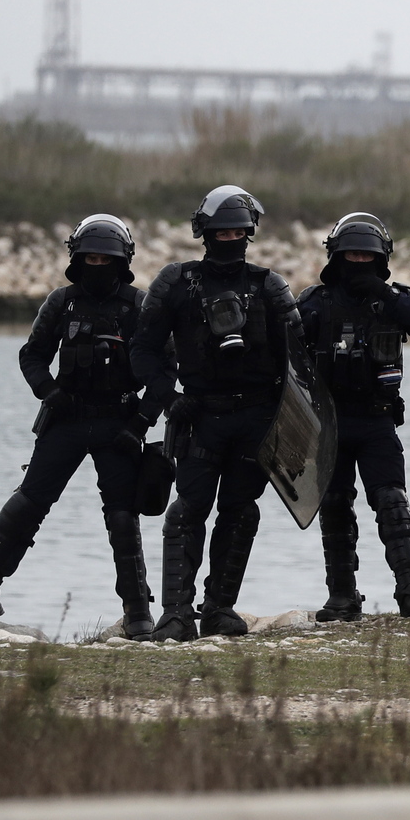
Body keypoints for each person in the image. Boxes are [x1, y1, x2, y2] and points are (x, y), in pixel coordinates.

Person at [0, 215, 169, 638]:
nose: (97, 265)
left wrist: (141, 422)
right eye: (91, 258)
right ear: (77, 259)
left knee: (122, 516)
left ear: (122, 262)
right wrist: (49, 392)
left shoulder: (139, 307)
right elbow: (31, 355)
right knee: (27, 504)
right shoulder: (60, 303)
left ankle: (139, 613)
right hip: (65, 419)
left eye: (106, 258)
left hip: (119, 423)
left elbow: (165, 369)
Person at [131, 185, 314, 641]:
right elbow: (143, 349)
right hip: (200, 417)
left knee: (239, 512)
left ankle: (219, 609)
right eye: (221, 231)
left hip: (255, 421)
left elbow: (300, 363)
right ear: (204, 232)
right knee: (187, 511)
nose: (228, 238)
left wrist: (289, 427)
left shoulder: (269, 286)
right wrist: (169, 399)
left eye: (237, 231)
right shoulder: (175, 282)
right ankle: (175, 612)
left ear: (248, 233)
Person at [297, 213, 410, 621]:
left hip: (377, 420)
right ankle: (342, 595)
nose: (358, 263)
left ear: (380, 260)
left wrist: (387, 295)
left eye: (366, 256)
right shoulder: (314, 304)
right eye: (351, 255)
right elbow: (284, 356)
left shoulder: (393, 302)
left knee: (391, 501)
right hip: (329, 423)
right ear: (337, 258)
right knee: (335, 505)